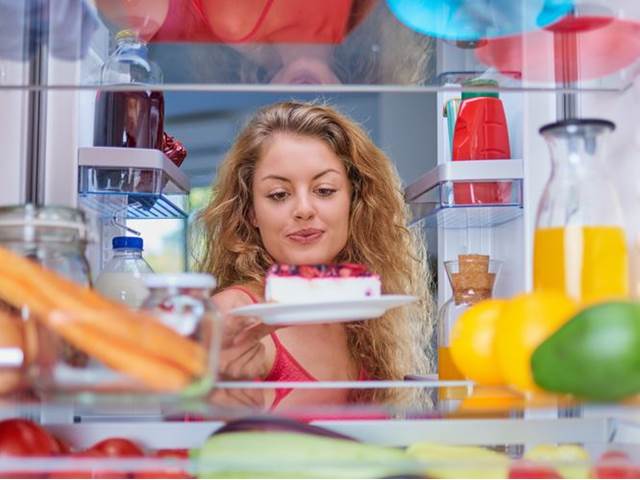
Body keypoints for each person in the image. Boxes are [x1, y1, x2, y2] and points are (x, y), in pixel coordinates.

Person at [197, 101, 434, 409]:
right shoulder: (234, 314)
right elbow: (190, 426)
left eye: (324, 190)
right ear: (251, 211)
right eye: (279, 195)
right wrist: (211, 391)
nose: (304, 210)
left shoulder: (364, 317)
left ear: (354, 200)